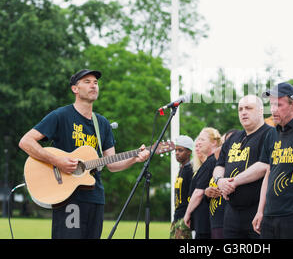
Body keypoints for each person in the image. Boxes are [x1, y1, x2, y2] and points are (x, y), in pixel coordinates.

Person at [18, 69, 150, 239]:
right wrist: (57, 161)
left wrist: (134, 158)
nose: (93, 85)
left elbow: (112, 164)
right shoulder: (61, 115)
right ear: (75, 89)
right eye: (87, 82)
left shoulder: (101, 123)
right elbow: (26, 141)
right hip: (67, 197)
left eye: (95, 82)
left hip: (95, 197)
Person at [253, 83, 293, 239]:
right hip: (269, 215)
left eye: (279, 104)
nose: (273, 109)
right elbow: (268, 173)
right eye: (271, 104)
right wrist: (260, 210)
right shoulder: (271, 134)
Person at [213, 95, 275, 239]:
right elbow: (219, 165)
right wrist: (220, 181)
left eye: (248, 108)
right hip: (231, 212)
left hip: (257, 211)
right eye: (240, 109)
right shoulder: (233, 138)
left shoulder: (270, 133)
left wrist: (234, 182)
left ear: (260, 111)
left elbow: (264, 166)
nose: (243, 112)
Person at [184, 127, 222, 239]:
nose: (198, 143)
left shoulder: (211, 162)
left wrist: (187, 214)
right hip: (205, 220)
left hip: (205, 221)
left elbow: (198, 193)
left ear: (214, 142)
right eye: (197, 140)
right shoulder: (209, 162)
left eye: (202, 140)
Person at [204, 129, 237, 239]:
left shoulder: (238, 164)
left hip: (229, 219)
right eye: (224, 143)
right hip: (215, 220)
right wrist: (207, 192)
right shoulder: (217, 164)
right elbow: (207, 186)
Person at [170, 135, 194, 239]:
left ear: (189, 152)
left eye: (180, 150)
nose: (177, 153)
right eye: (176, 150)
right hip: (177, 216)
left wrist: (188, 216)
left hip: (184, 217)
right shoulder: (182, 169)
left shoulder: (191, 170)